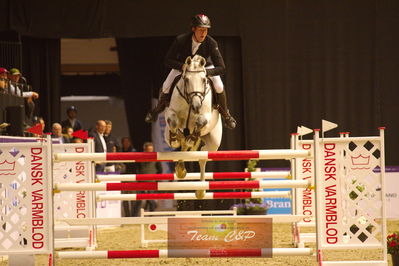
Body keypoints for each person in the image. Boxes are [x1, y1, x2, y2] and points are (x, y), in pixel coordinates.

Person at [145, 14, 236, 129]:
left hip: (204, 68)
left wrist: (207, 73)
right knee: (166, 85)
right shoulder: (181, 40)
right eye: (200, 30)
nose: (203, 33)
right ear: (193, 29)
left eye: (206, 30)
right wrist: (182, 66)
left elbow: (222, 67)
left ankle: (226, 115)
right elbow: (167, 60)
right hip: (184, 67)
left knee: (218, 86)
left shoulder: (211, 43)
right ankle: (157, 110)